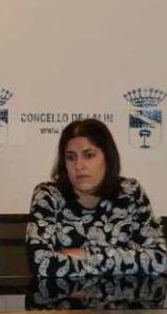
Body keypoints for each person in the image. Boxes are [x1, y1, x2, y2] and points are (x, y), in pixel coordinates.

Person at [26, 118, 167, 277]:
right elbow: (40, 264)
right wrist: (122, 260)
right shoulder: (48, 195)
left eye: (89, 155)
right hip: (64, 299)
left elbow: (160, 260)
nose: (79, 166)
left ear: (107, 157)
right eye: (71, 157)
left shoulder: (130, 192)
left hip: (123, 298)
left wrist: (85, 255)